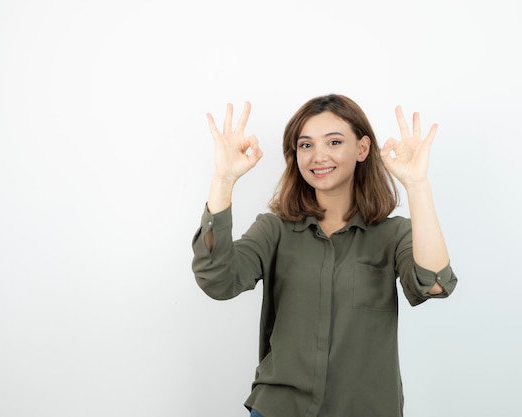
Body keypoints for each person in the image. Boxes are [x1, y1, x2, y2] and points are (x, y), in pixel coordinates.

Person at [191, 94, 458, 417]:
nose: (318, 156)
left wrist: (417, 185)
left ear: (362, 149)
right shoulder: (274, 230)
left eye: (334, 142)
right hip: (279, 409)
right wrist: (224, 179)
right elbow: (218, 280)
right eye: (306, 145)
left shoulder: (393, 234)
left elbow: (434, 283)